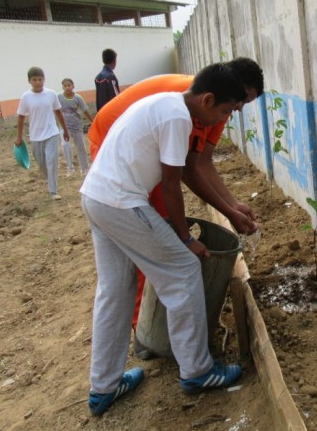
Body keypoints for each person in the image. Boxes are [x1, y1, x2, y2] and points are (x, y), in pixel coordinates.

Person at [81, 62, 248, 416]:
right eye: (224, 111)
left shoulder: (163, 103)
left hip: (96, 196)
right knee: (184, 269)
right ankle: (198, 371)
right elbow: (172, 185)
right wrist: (186, 239)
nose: (222, 119)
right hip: (122, 202)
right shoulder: (178, 119)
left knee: (115, 289)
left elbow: (184, 171)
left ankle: (103, 387)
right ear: (206, 100)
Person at [88, 57, 264, 330]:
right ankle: (145, 325)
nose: (239, 108)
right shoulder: (191, 106)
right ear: (219, 93)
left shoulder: (215, 107)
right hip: (115, 146)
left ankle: (157, 320)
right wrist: (185, 238)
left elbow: (200, 162)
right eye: (239, 101)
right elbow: (182, 174)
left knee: (160, 233)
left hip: (104, 188)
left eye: (245, 103)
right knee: (158, 245)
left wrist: (233, 205)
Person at [15, 67, 70, 200]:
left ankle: (53, 191)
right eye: (34, 80)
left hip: (52, 133)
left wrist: (65, 129)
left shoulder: (51, 94)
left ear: (44, 80)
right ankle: (50, 180)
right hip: (35, 136)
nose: (38, 82)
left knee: (51, 161)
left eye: (40, 79)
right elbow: (21, 117)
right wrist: (19, 136)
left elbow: (58, 112)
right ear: (29, 81)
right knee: (42, 163)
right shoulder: (26, 97)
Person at [57, 78, 93, 177]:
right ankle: (70, 168)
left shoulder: (78, 98)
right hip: (64, 127)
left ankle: (84, 168)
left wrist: (93, 122)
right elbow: (54, 109)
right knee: (65, 145)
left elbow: (85, 111)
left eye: (69, 85)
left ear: (73, 86)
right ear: (62, 87)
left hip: (77, 125)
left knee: (81, 147)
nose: (67, 87)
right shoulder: (59, 97)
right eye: (65, 85)